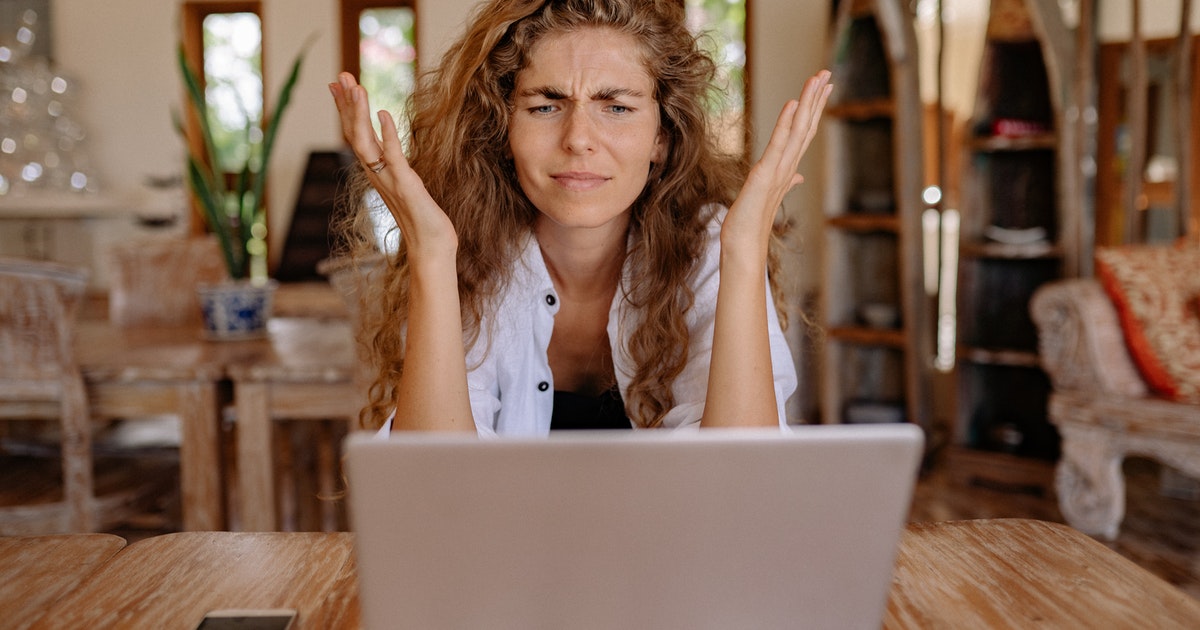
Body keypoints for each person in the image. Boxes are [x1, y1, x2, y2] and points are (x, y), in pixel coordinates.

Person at [329, 0, 830, 436]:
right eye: (546, 106)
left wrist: (743, 249)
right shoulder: (466, 248)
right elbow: (433, 489)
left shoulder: (707, 243)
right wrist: (433, 255)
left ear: (662, 136)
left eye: (616, 107)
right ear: (504, 129)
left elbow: (740, 485)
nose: (578, 139)